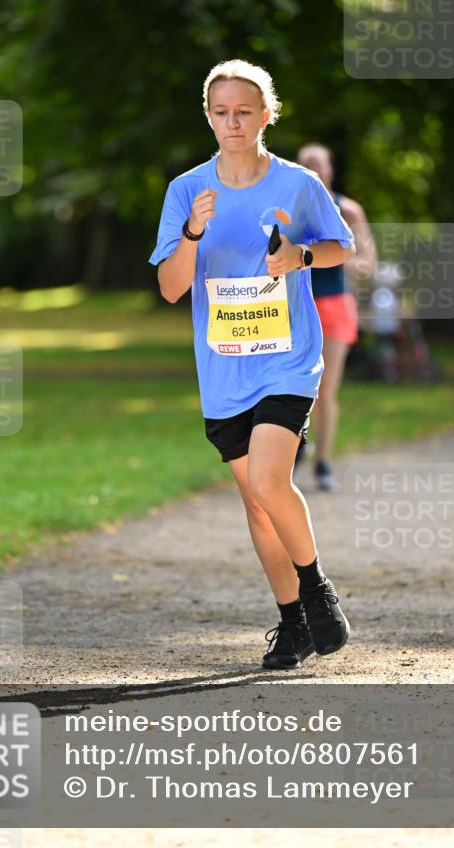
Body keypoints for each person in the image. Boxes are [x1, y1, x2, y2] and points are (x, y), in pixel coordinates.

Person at [148, 60, 356, 670]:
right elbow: (169, 288)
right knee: (257, 503)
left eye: (244, 111)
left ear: (267, 115)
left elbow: (342, 245)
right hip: (223, 370)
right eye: (221, 112)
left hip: (289, 358)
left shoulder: (296, 184)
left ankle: (319, 592)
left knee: (271, 480)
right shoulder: (187, 190)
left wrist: (302, 255)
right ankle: (293, 623)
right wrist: (191, 233)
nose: (232, 123)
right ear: (208, 116)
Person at [296, 143, 376, 491]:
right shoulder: (290, 209)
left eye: (319, 164)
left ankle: (324, 461)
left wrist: (333, 255)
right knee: (295, 384)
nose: (314, 170)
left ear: (330, 170)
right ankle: (298, 444)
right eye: (306, 165)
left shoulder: (349, 210)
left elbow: (367, 263)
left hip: (335, 305)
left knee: (326, 387)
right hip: (296, 304)